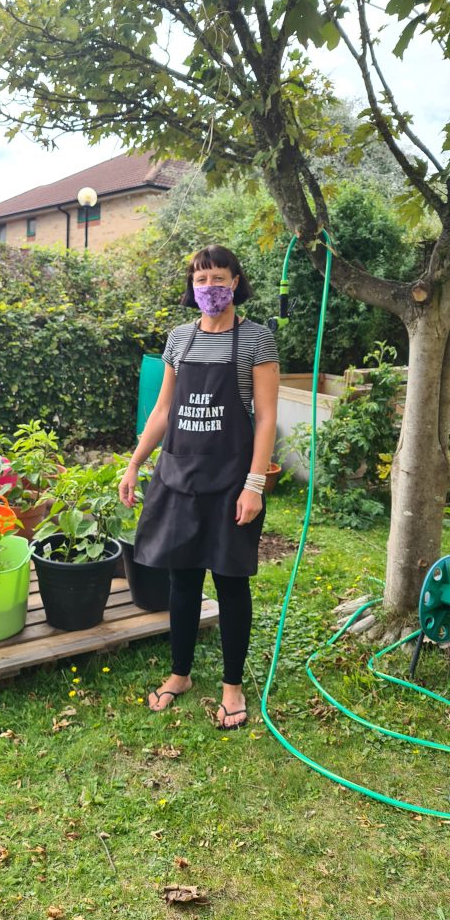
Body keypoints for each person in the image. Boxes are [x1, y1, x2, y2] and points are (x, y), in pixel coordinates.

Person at [119, 245, 279, 730]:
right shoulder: (178, 339)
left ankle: (232, 685)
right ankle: (180, 674)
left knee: (230, 582)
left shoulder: (256, 339)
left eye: (219, 278)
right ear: (193, 287)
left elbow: (268, 417)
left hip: (231, 481)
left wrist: (254, 485)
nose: (210, 287)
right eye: (201, 278)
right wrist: (133, 466)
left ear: (236, 281)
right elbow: (164, 412)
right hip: (177, 478)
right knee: (182, 580)